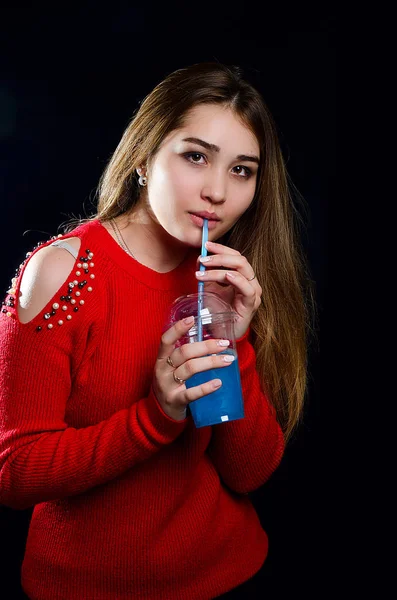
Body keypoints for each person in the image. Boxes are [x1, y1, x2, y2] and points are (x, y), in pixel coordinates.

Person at [0, 62, 316, 599]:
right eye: (196, 156)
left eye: (243, 170)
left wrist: (234, 342)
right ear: (145, 158)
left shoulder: (227, 276)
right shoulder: (62, 273)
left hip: (230, 573)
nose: (217, 191)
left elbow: (248, 473)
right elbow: (13, 473)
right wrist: (155, 417)